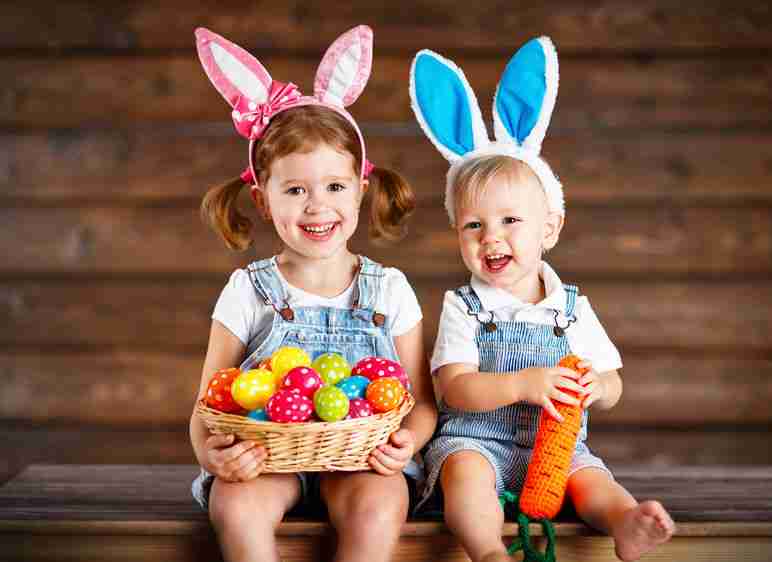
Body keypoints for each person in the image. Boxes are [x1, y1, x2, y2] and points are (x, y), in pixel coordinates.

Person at [409, 37, 675, 562]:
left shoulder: (571, 308)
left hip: (556, 446)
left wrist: (597, 386)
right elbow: (455, 389)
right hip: (478, 441)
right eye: (473, 226)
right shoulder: (465, 305)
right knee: (465, 479)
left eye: (511, 221)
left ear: (549, 228)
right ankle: (488, 551)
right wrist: (522, 383)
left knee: (592, 479)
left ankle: (625, 522)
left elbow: (614, 383)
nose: (492, 238)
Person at [188, 26, 437, 562]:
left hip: (361, 460)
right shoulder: (249, 290)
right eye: (296, 189)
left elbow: (421, 404)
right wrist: (216, 458)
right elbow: (207, 406)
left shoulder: (388, 289)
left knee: (378, 506)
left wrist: (407, 443)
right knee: (236, 507)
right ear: (261, 197)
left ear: (361, 189)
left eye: (335, 187)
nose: (317, 206)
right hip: (268, 457)